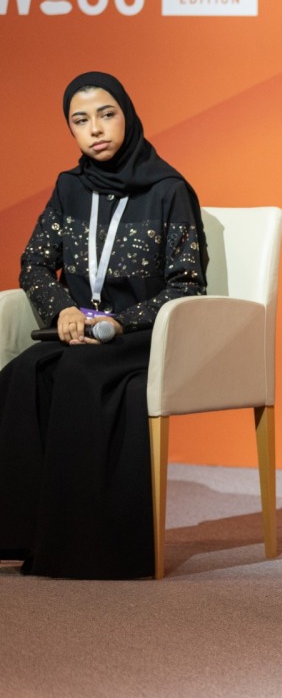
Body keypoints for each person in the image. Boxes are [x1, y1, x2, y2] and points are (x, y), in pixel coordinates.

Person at [0, 72, 207, 579]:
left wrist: (118, 320)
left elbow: (186, 286)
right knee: (23, 373)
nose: (95, 129)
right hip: (80, 333)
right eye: (80, 120)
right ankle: (24, 537)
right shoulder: (69, 188)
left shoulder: (169, 189)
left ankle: (85, 548)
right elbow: (34, 263)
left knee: (77, 374)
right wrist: (63, 311)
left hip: (142, 335)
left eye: (106, 114)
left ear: (127, 116)